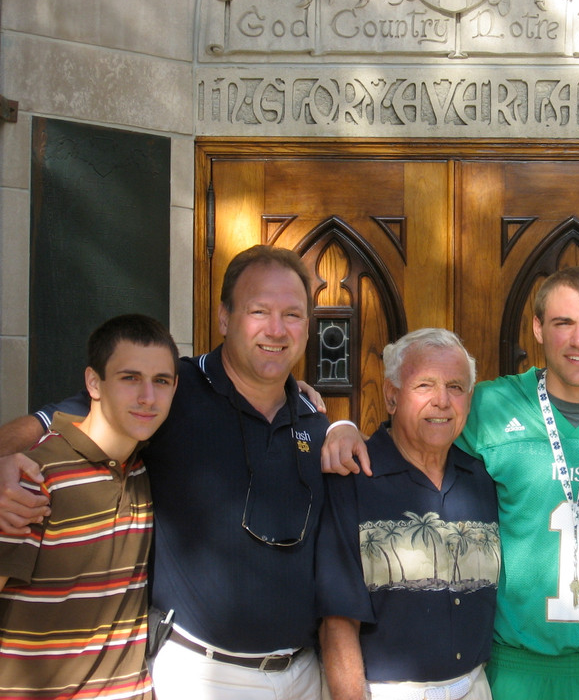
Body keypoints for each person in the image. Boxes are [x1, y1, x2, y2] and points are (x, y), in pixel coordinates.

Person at [0, 245, 367, 700]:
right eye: (259, 311)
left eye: (292, 315)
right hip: (201, 674)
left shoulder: (313, 416)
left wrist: (344, 425)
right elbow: (47, 423)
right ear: (224, 318)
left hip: (304, 673)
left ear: (308, 328)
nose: (276, 329)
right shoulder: (165, 390)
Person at [322, 266, 579, 698]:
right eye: (563, 323)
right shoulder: (489, 405)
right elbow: (417, 433)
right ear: (537, 328)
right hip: (513, 669)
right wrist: (339, 428)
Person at [0, 314, 179, 699]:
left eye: (161, 381)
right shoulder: (31, 478)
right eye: (130, 378)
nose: (148, 396)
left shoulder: (145, 470)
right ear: (93, 383)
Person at [319, 328, 499, 700]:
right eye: (424, 386)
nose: (442, 401)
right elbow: (337, 622)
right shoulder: (353, 480)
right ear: (391, 396)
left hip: (475, 686)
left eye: (455, 387)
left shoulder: (482, 480)